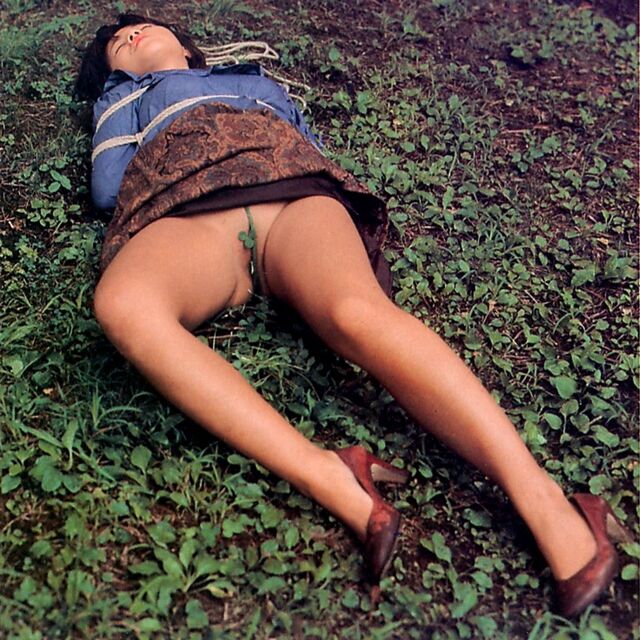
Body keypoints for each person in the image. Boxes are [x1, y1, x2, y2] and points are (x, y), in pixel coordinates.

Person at [75, 14, 630, 617]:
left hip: (291, 196)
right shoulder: (124, 101)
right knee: (123, 305)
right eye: (117, 44)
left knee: (353, 312)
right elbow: (108, 189)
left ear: (187, 46)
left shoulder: (250, 80)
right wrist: (125, 92)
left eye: (142, 27)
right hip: (187, 218)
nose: (131, 36)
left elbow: (305, 142)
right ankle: (326, 473)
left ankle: (546, 499)